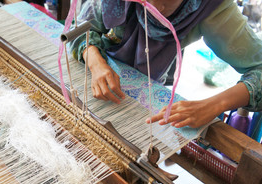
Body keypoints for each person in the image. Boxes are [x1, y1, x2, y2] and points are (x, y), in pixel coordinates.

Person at [68, 0, 262, 128]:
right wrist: (95, 63)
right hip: (94, 85)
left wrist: (214, 105)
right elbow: (79, 26)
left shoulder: (212, 8)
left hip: (140, 106)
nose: (155, 8)